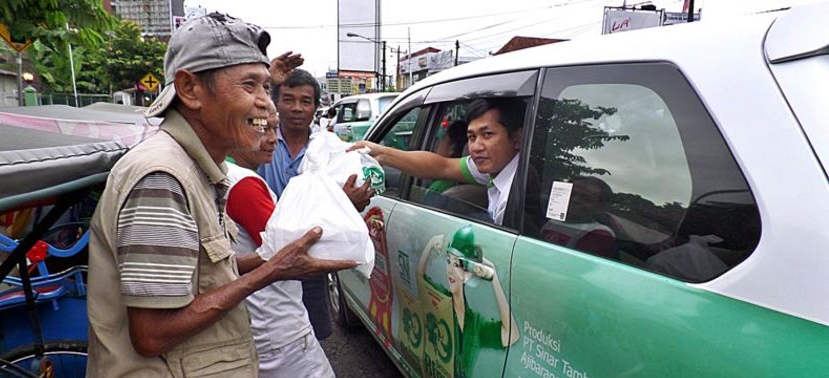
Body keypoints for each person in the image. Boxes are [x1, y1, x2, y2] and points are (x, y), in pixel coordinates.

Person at [80, 14, 354, 378]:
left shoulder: (199, 170)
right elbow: (151, 334)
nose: (268, 105)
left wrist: (271, 261)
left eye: (268, 87)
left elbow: (206, 273)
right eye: (251, 86)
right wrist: (272, 269)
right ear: (189, 89)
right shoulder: (162, 177)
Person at [225, 107, 342, 378]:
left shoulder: (216, 175)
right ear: (237, 129)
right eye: (264, 128)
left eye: (275, 129)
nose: (273, 138)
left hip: (245, 325)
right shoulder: (244, 184)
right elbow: (290, 248)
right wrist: (345, 208)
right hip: (280, 329)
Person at [260, 68, 374, 340]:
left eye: (305, 101)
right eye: (288, 99)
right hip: (262, 257)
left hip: (311, 259)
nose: (297, 108)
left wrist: (345, 203)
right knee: (268, 338)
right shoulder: (259, 142)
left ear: (316, 107)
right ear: (276, 103)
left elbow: (346, 205)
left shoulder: (330, 149)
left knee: (312, 336)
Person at [349, 98, 525, 225]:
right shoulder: (495, 169)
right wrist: (381, 154)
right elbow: (443, 166)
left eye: (488, 135)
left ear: (517, 138)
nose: (476, 147)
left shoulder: (515, 194)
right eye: (471, 137)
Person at [416, 225, 518, 378]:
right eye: (448, 262)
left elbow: (510, 334)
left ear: (469, 274)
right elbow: (420, 279)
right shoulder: (441, 300)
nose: (450, 271)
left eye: (459, 265)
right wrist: (429, 245)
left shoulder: (477, 324)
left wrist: (494, 278)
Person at [539, 176, 616, 258]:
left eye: (586, 199)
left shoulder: (599, 233)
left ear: (599, 208)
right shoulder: (553, 220)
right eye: (571, 194)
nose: (575, 200)